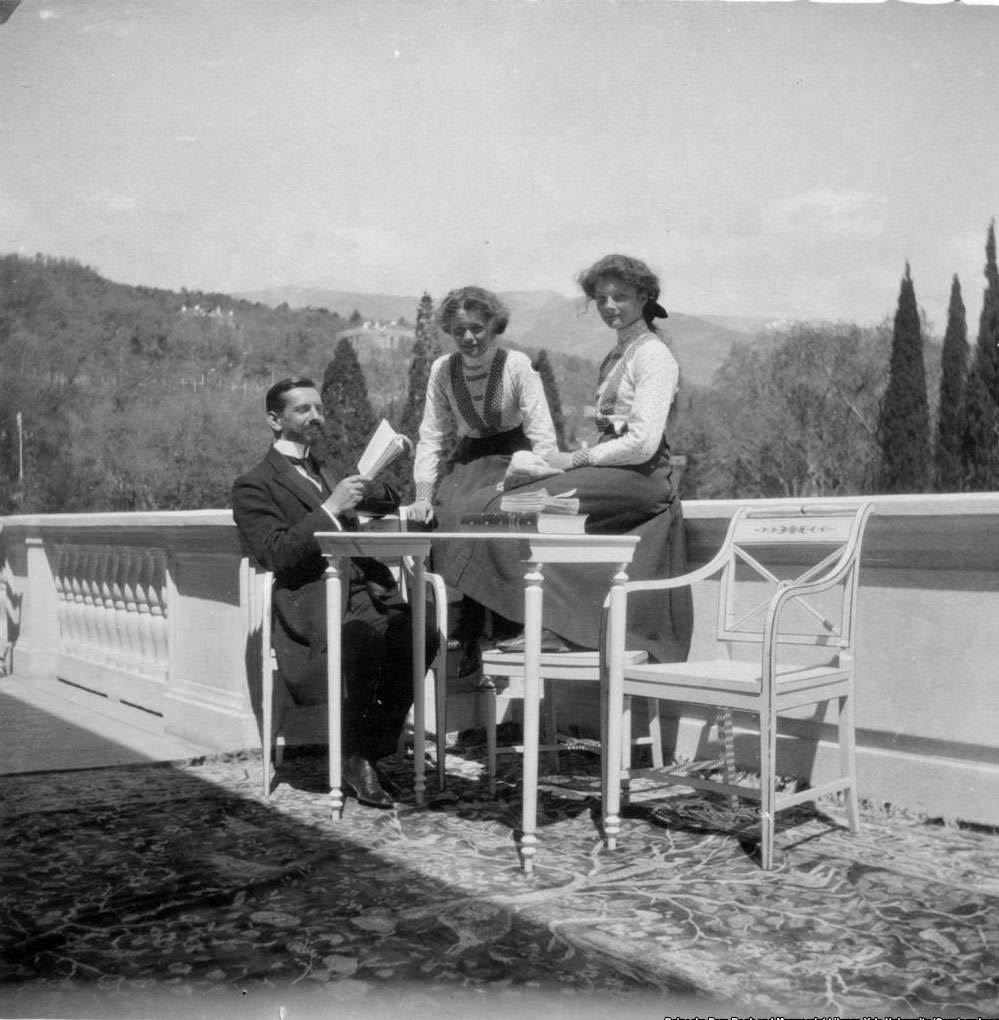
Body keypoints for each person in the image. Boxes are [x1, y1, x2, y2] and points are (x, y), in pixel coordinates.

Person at [444, 254, 692, 662]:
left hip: (639, 478)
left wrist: (573, 460)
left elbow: (643, 444)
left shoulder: (653, 355)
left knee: (505, 507)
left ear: (645, 297)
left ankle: (552, 627)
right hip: (610, 473)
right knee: (480, 507)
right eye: (601, 298)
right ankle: (534, 621)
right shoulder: (617, 356)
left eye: (622, 297)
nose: (610, 306)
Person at [231, 377, 438, 809]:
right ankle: (356, 758)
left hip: (367, 587)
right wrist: (329, 508)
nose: (316, 417)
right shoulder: (253, 484)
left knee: (423, 636)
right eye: (303, 409)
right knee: (362, 638)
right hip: (310, 599)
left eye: (319, 409)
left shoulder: (326, 468)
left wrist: (370, 484)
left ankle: (365, 752)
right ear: (274, 419)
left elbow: (383, 501)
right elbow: (274, 553)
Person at [406, 286, 558, 674]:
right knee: (447, 515)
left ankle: (505, 624)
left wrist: (544, 474)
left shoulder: (517, 365)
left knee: (490, 519)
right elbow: (432, 434)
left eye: (477, 328)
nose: (469, 338)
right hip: (469, 458)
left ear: (494, 325)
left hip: (514, 456)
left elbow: (542, 431)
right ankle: (464, 629)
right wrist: (423, 493)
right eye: (459, 331)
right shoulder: (443, 370)